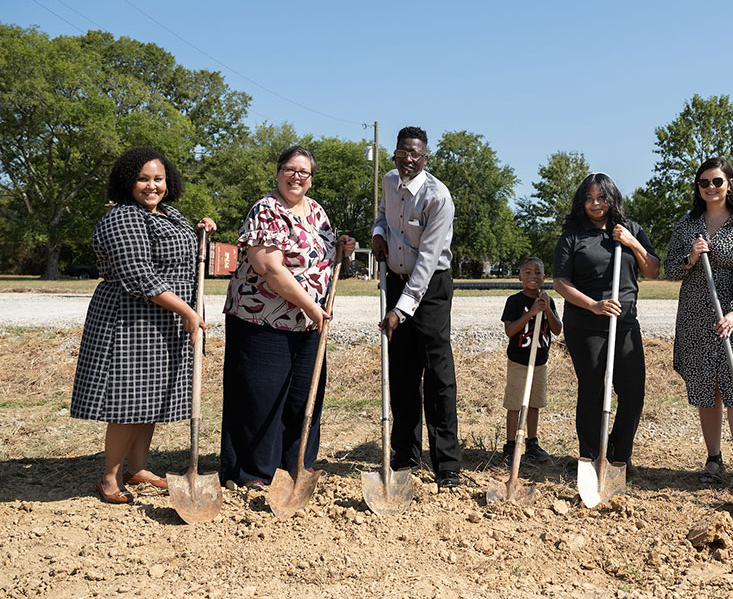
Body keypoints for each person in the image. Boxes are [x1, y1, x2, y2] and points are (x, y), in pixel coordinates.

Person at [71, 147, 217, 504]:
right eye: (143, 179)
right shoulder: (123, 217)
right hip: (130, 319)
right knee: (127, 400)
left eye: (158, 179)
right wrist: (186, 311)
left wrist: (201, 231)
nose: (152, 186)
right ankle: (110, 476)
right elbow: (139, 275)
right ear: (128, 182)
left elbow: (181, 259)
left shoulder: (169, 214)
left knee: (150, 398)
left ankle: (137, 468)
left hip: (164, 320)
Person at [220, 145, 355, 488]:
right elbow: (269, 268)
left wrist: (343, 251)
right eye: (290, 170)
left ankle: (297, 463)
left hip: (308, 324)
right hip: (262, 319)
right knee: (261, 397)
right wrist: (310, 305)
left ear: (311, 179)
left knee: (302, 395)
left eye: (304, 172)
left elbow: (323, 260)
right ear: (278, 172)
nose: (296, 177)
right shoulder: (266, 210)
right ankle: (253, 472)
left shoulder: (317, 211)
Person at [664, 157, 733, 486]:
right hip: (696, 317)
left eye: (717, 182)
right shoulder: (688, 224)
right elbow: (669, 269)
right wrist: (691, 258)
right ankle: (713, 459)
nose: (710, 187)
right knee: (706, 388)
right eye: (704, 182)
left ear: (730, 184)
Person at [372, 126, 461, 488]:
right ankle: (405, 454)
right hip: (395, 282)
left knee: (438, 376)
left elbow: (427, 262)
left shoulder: (438, 198)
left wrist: (400, 310)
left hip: (431, 290)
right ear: (395, 153)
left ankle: (447, 464)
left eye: (416, 154)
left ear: (425, 158)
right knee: (403, 373)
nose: (408, 159)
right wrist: (378, 234)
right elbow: (382, 214)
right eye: (402, 152)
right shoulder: (389, 181)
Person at [553, 173, 660, 477]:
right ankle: (591, 457)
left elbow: (652, 270)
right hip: (585, 326)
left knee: (633, 392)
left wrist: (631, 242)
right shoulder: (573, 236)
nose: (595, 203)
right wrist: (594, 305)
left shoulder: (632, 230)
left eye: (601, 197)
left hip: (625, 324)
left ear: (612, 199)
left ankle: (618, 456)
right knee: (593, 391)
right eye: (589, 198)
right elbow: (560, 282)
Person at [500, 256, 563, 467]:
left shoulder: (548, 300)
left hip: (539, 362)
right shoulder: (514, 301)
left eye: (537, 272)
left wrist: (546, 310)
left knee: (535, 403)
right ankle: (510, 446)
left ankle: (532, 442)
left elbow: (557, 329)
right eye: (527, 272)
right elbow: (510, 331)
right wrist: (532, 313)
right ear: (520, 277)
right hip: (519, 361)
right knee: (515, 404)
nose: (533, 276)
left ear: (544, 277)